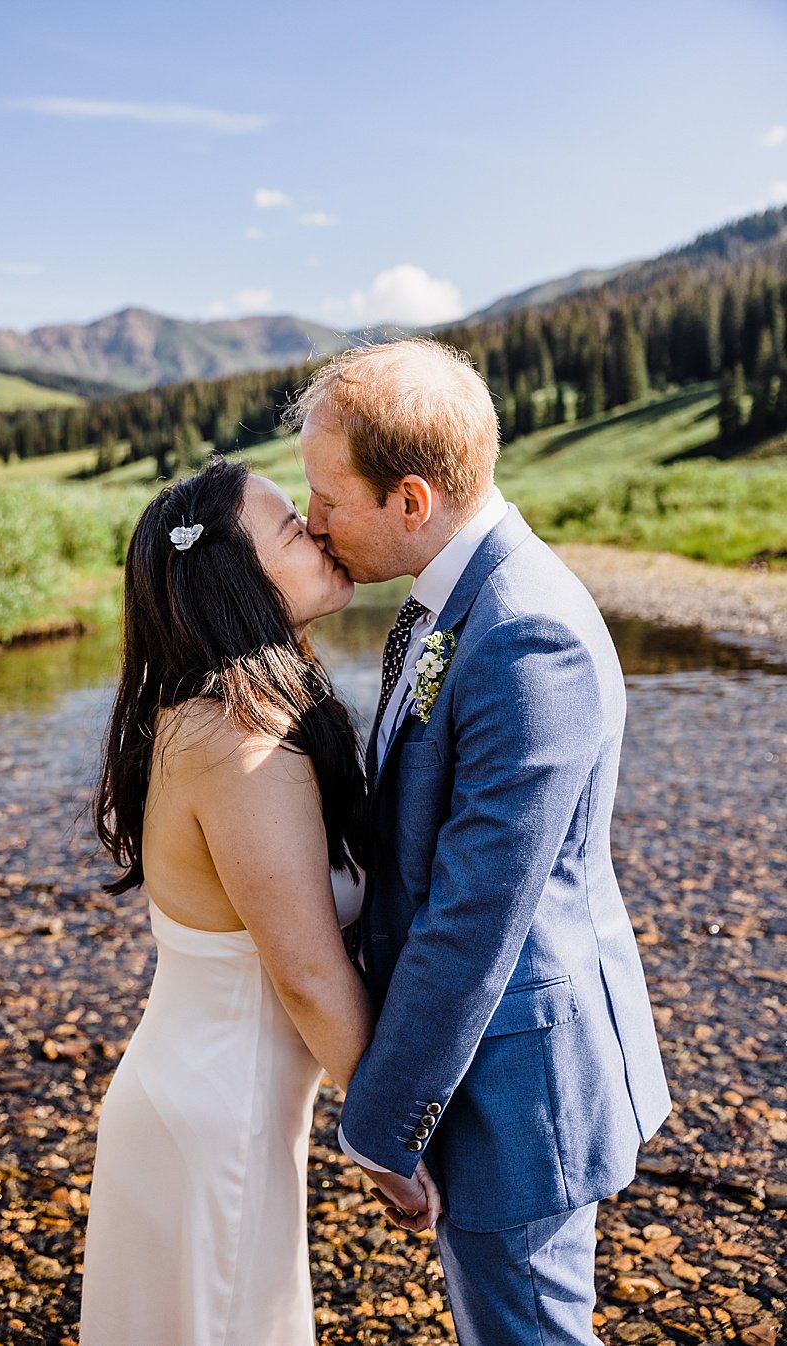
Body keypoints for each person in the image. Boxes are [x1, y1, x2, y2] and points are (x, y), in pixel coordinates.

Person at [293, 339, 671, 1345]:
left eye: (329, 496)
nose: (314, 519)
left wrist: (379, 1119)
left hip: (522, 1089)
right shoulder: (457, 598)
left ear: (411, 500)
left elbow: (476, 913)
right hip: (482, 1069)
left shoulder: (523, 632)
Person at [80, 456, 428, 1345]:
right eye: (290, 528)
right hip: (213, 1126)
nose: (317, 531)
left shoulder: (229, 708)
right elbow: (307, 972)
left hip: (215, 1109)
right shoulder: (239, 736)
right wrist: (387, 1141)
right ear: (237, 578)